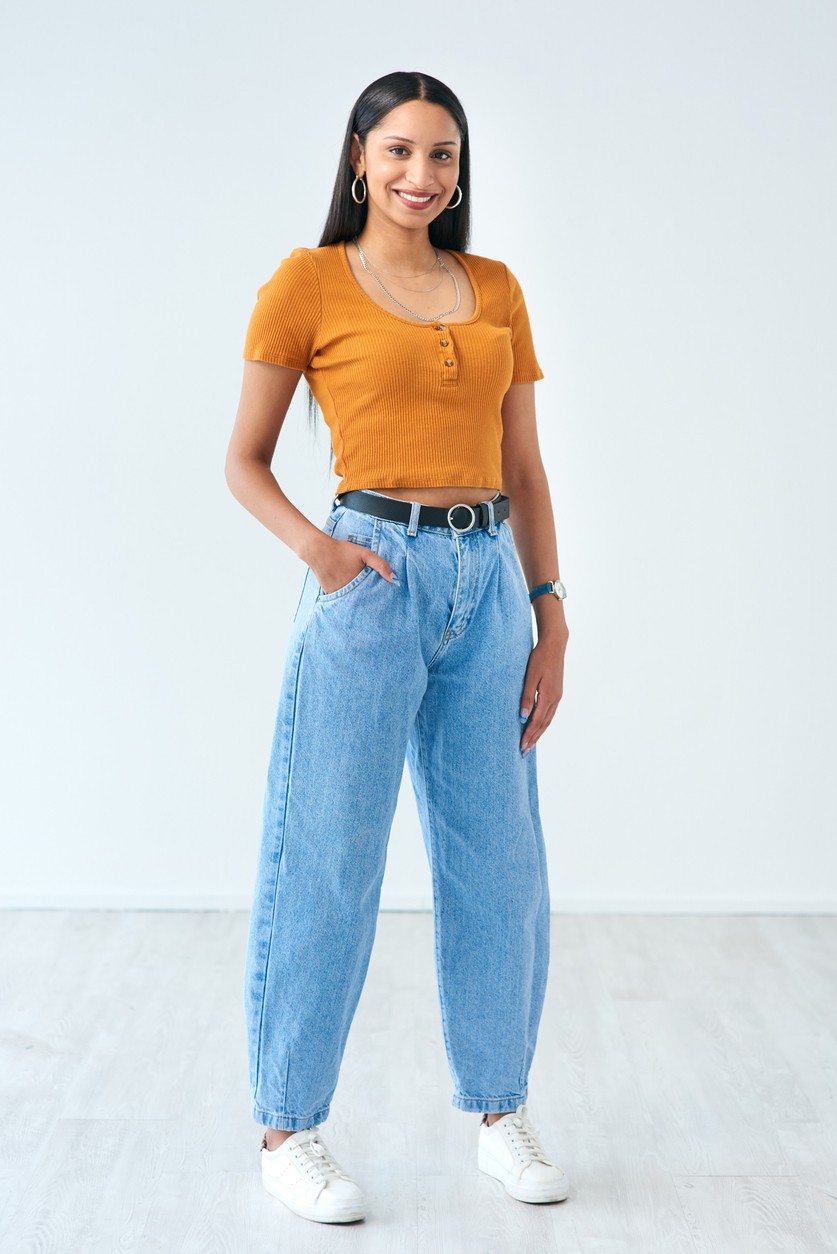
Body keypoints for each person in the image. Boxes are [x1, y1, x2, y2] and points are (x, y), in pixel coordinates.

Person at [225, 69, 570, 1225]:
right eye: (403, 152)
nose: (425, 176)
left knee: (500, 864)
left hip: (490, 582)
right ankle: (289, 1125)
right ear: (360, 157)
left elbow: (522, 468)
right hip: (369, 577)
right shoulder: (309, 282)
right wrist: (324, 558)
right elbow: (244, 460)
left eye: (445, 157)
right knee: (329, 852)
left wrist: (551, 612)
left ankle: (499, 1108)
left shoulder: (495, 287)